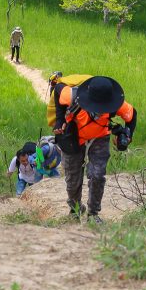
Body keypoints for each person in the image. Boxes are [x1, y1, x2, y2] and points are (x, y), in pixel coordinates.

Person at [52, 76, 136, 224]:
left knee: (97, 175)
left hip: (100, 137)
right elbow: (57, 89)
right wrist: (59, 119)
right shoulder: (71, 95)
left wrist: (127, 136)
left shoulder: (116, 103)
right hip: (74, 136)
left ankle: (93, 214)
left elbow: (132, 114)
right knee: (72, 180)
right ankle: (75, 209)